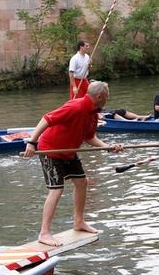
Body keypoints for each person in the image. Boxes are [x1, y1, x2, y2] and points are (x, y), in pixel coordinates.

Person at [22, 81, 123, 247]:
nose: (108, 99)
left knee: (82, 182)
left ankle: (79, 222)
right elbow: (46, 119)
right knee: (56, 190)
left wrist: (107, 147)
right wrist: (31, 142)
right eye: (107, 96)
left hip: (69, 151)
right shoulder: (75, 107)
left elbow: (89, 137)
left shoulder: (93, 113)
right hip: (50, 150)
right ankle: (44, 233)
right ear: (99, 96)